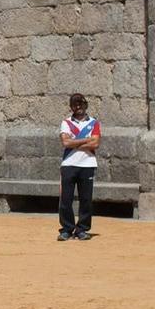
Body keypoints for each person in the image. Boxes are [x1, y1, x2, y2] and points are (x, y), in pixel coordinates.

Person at [58, 93, 100, 242]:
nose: (78, 107)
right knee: (66, 199)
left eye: (80, 104)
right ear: (71, 107)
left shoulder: (94, 123)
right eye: (75, 104)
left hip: (87, 164)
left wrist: (75, 141)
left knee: (86, 199)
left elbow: (95, 144)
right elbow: (66, 143)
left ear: (85, 105)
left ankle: (82, 229)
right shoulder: (66, 122)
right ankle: (67, 229)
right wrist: (86, 140)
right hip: (69, 164)